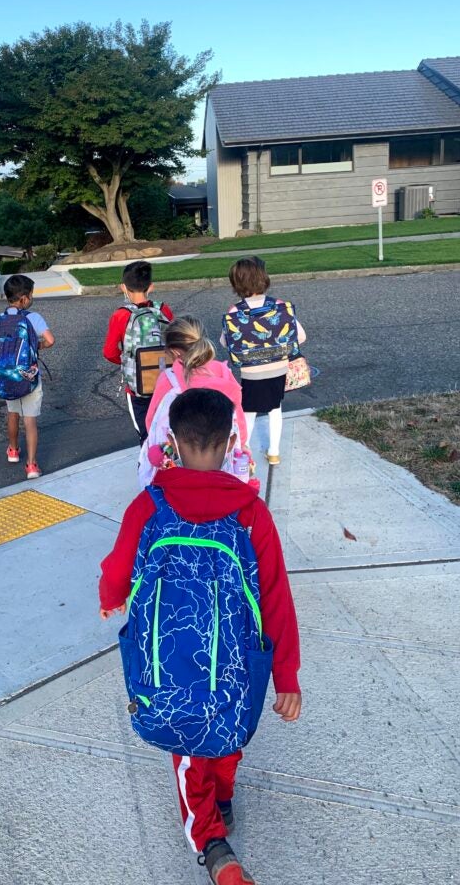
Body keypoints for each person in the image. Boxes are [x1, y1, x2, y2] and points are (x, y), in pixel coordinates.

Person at [99, 389, 301, 885]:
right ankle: (223, 803)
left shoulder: (149, 506)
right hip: (235, 665)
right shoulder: (252, 514)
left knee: (189, 750)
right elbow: (275, 597)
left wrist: (111, 596)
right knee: (230, 734)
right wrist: (286, 675)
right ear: (231, 440)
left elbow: (117, 569)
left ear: (172, 441)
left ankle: (214, 847)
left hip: (169, 666)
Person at [222, 257, 306, 466]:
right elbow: (301, 336)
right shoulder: (279, 306)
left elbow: (226, 342)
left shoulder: (235, 311)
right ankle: (274, 452)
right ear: (264, 279)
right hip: (279, 368)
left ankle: (244, 453)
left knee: (248, 412)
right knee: (275, 409)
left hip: (251, 371)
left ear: (236, 284)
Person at [0, 274, 55, 479]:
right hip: (28, 376)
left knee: (12, 413)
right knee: (30, 420)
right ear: (23, 298)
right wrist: (36, 346)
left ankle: (13, 450)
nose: (31, 298)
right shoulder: (33, 318)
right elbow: (50, 340)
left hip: (6, 375)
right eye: (30, 295)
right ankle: (31, 465)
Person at [145, 314, 249, 451]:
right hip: (220, 452)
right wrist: (241, 445)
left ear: (175, 352)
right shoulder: (223, 371)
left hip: (182, 455)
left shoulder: (168, 379)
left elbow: (152, 420)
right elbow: (238, 416)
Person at [102, 260, 173, 443]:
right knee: (167, 430)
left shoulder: (121, 315)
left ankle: (150, 467)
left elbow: (109, 352)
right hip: (165, 381)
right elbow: (176, 343)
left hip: (137, 387)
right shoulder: (163, 309)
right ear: (151, 286)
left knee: (146, 433)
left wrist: (129, 361)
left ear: (123, 287)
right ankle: (170, 466)